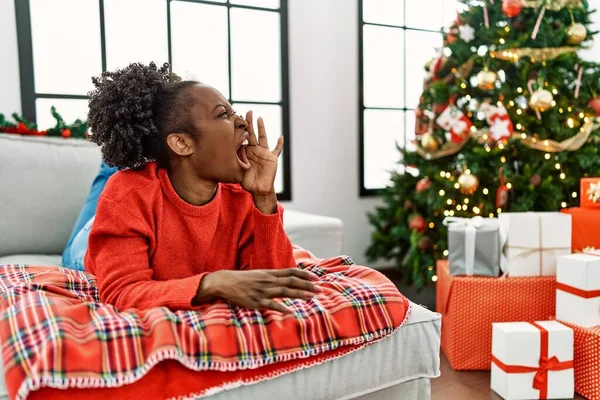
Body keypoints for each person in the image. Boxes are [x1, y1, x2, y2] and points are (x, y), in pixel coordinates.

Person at [83, 62, 320, 313]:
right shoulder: (127, 195)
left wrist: (264, 197)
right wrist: (211, 283)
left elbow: (275, 283)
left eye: (234, 112)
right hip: (88, 244)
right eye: (222, 114)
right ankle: (108, 167)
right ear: (182, 143)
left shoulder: (242, 196)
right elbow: (121, 291)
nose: (242, 122)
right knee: (112, 184)